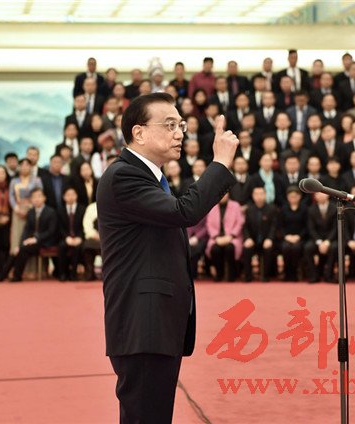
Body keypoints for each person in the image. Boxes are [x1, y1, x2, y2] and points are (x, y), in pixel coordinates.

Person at [96, 93, 238, 423]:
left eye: (181, 125)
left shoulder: (152, 178)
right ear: (139, 132)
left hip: (156, 324)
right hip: (142, 324)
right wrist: (220, 163)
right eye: (170, 125)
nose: (179, 134)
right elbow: (184, 212)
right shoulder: (124, 176)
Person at [6, 188, 59, 282]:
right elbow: (26, 230)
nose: (37, 199)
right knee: (18, 250)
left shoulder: (51, 212)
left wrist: (37, 238)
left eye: (39, 196)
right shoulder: (30, 212)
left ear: (44, 198)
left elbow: (51, 231)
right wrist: (21, 243)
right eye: (34, 197)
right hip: (33, 242)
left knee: (23, 249)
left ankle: (14, 275)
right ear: (31, 200)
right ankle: (5, 274)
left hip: (47, 241)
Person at [205, 192, 244, 282]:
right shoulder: (212, 206)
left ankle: (231, 275)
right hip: (216, 238)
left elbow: (240, 223)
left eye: (225, 194)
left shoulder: (235, 206)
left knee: (230, 248)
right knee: (215, 249)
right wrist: (216, 237)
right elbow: (209, 224)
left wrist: (231, 236)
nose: (223, 196)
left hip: (232, 237)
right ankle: (219, 274)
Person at [242, 185, 278, 282]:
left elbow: (274, 226)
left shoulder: (272, 209)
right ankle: (248, 276)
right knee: (246, 248)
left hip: (267, 240)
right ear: (253, 196)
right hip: (253, 240)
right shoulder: (249, 210)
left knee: (268, 249)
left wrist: (270, 239)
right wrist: (247, 238)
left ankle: (265, 276)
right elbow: (245, 227)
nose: (259, 196)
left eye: (261, 194)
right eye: (256, 194)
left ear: (265, 195)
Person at [304, 192, 338, 283]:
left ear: (328, 194)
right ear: (315, 196)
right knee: (308, 248)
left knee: (334, 247)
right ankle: (314, 275)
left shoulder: (335, 208)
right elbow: (311, 228)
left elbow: (335, 228)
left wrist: (327, 241)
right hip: (316, 238)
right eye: (318, 194)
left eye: (323, 193)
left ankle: (329, 275)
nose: (321, 195)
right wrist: (319, 242)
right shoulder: (311, 209)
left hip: (331, 238)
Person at [278, 186, 308, 281]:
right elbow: (280, 226)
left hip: (300, 237)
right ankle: (287, 272)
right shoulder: (283, 209)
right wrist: (286, 236)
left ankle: (295, 272)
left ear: (299, 196)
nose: (293, 198)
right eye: (291, 196)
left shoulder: (304, 209)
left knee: (296, 248)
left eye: (295, 196)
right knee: (285, 247)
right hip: (286, 237)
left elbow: (307, 226)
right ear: (287, 197)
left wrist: (299, 236)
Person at [57, 187, 85, 282]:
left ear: (76, 196)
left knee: (78, 247)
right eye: (68, 195)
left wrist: (79, 237)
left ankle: (73, 274)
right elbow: (59, 227)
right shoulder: (60, 210)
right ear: (64, 197)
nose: (70, 197)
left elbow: (84, 226)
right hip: (65, 237)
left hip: (79, 237)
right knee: (62, 246)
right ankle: (62, 274)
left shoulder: (82, 209)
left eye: (73, 194)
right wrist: (66, 237)